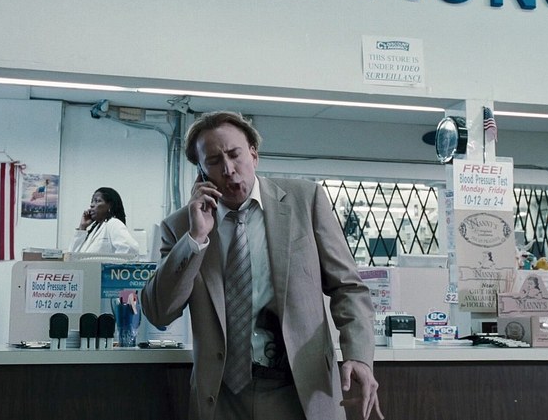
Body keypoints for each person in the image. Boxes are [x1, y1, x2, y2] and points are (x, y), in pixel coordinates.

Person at [141, 111, 383, 420]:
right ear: (201, 172)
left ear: (254, 155)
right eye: (213, 161)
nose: (228, 169)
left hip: (299, 390)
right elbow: (159, 312)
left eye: (234, 154)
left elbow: (348, 287)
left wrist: (359, 355)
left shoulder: (304, 200)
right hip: (222, 396)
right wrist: (196, 238)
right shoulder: (179, 228)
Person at [68, 187, 140, 255]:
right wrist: (82, 227)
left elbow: (131, 248)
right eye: (92, 201)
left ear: (110, 205)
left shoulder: (114, 223)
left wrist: (111, 263)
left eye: (97, 201)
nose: (91, 205)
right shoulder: (94, 229)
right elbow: (72, 255)